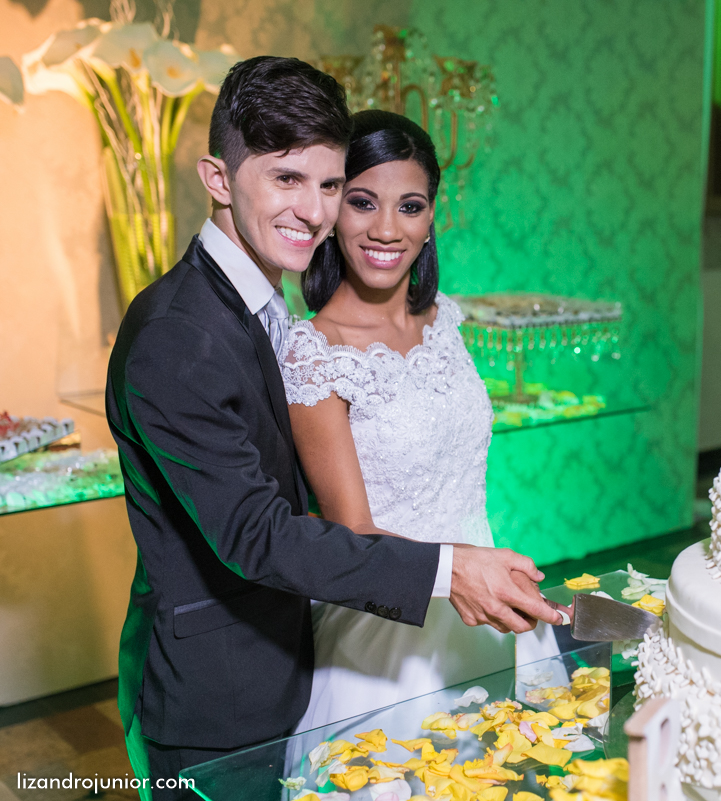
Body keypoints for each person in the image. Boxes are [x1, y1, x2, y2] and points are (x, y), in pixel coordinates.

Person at [105, 57, 567, 799]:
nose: (315, 211)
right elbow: (260, 533)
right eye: (288, 179)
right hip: (218, 701)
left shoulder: (262, 305)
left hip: (300, 655)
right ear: (218, 179)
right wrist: (453, 569)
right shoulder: (177, 333)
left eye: (326, 185)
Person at [280, 109, 561, 731]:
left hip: (488, 613)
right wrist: (459, 568)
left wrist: (488, 570)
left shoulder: (446, 320)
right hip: (387, 643)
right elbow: (350, 533)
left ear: (433, 216)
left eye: (409, 206)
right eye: (362, 202)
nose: (386, 229)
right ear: (331, 210)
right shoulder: (314, 353)